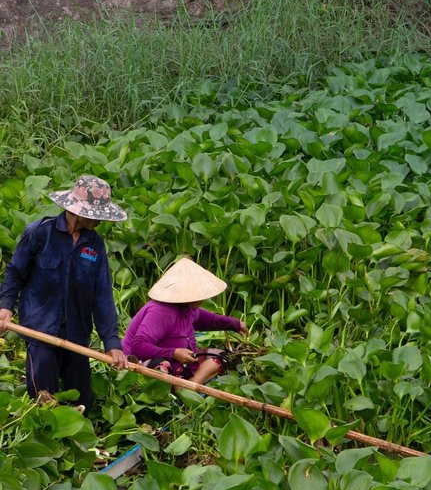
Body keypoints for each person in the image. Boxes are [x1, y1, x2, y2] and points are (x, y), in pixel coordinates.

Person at [0, 174, 128, 414]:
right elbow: (15, 272)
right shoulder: (39, 233)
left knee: (81, 401)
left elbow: (102, 295)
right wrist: (5, 307)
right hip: (40, 328)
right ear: (78, 211)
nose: (99, 221)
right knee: (43, 397)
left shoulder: (95, 245)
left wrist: (112, 342)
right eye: (95, 215)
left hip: (76, 333)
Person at [122, 257, 247, 385]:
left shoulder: (189, 307)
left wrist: (235, 324)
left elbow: (207, 319)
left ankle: (190, 384)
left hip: (181, 362)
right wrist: (174, 353)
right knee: (161, 368)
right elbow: (137, 347)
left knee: (222, 356)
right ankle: (185, 387)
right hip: (146, 361)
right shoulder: (160, 311)